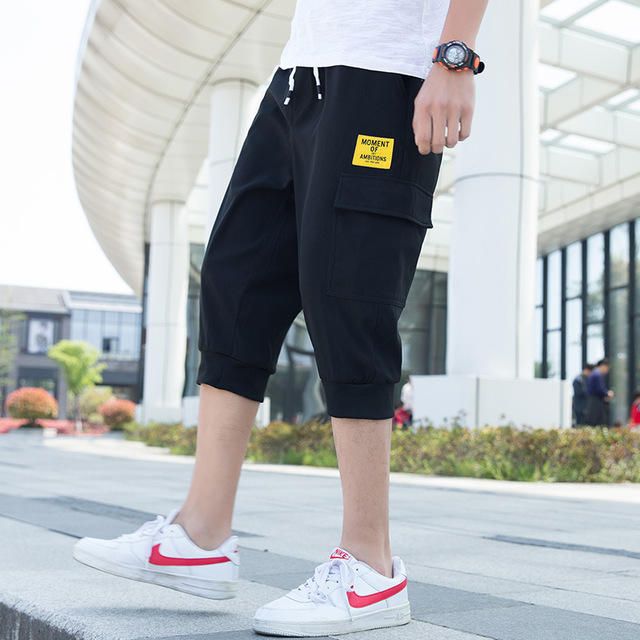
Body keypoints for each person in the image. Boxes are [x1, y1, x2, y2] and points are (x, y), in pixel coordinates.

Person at [72, 1, 489, 635]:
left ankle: (371, 567)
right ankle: (200, 534)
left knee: (350, 297)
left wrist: (454, 57)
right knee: (236, 282)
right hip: (299, 75)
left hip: (387, 76)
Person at [585, 358, 614, 427]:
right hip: (596, 402)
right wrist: (607, 393)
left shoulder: (594, 373)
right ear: (603, 366)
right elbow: (600, 389)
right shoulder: (597, 375)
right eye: (607, 368)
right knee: (597, 422)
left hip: (593, 400)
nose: (607, 371)